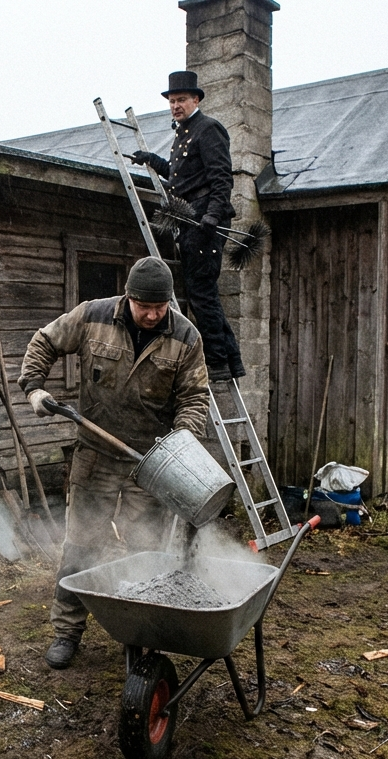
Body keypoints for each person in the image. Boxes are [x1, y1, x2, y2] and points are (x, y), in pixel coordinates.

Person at [19, 256, 210, 669]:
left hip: (151, 463)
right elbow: (45, 340)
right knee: (81, 545)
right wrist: (34, 387)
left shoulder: (185, 336)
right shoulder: (93, 315)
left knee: (145, 550)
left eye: (159, 307)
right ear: (129, 297)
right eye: (145, 306)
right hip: (96, 454)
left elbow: (195, 398)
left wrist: (182, 441)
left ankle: (139, 637)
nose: (152, 314)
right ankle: (67, 632)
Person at [130, 70, 244, 382]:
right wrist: (151, 159)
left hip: (205, 218)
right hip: (191, 218)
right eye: (172, 100)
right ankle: (229, 360)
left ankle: (218, 361)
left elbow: (222, 179)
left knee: (202, 293)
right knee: (198, 292)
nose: (175, 105)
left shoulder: (208, 129)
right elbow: (182, 179)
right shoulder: (183, 134)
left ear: (196, 100)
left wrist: (212, 217)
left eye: (181, 99)